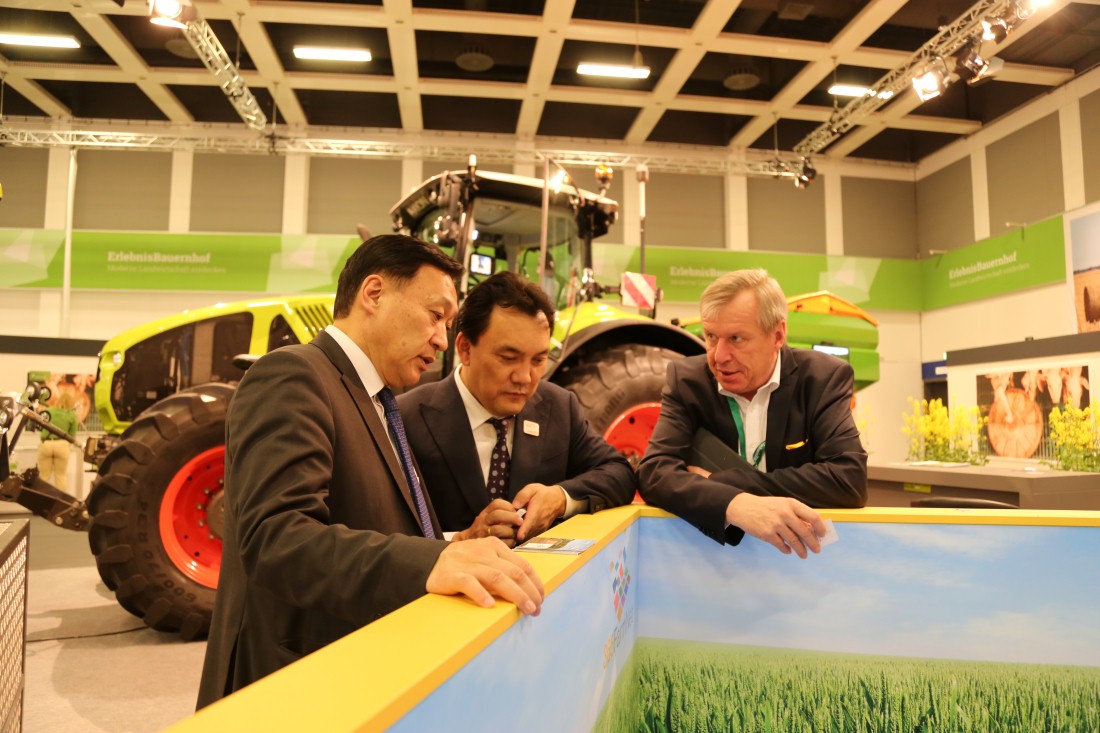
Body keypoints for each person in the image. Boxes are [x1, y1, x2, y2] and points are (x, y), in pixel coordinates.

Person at [197, 235, 544, 709]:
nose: (442, 339)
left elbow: (367, 521)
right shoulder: (294, 376)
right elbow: (277, 539)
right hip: (292, 688)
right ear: (374, 294)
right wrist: (430, 562)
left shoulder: (378, 402)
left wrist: (456, 543)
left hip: (352, 676)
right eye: (435, 315)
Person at [637, 268, 867, 558]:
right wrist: (734, 505)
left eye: (736, 338)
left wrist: (721, 484)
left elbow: (848, 480)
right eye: (711, 336)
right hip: (714, 559)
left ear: (778, 335)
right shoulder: (687, 381)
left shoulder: (822, 378)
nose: (719, 356)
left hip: (801, 557)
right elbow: (654, 473)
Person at [399, 271, 636, 547]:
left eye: (538, 360)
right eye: (509, 358)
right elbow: (385, 532)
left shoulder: (559, 407)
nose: (524, 377)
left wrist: (560, 498)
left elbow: (619, 473)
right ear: (465, 349)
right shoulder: (407, 419)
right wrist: (460, 540)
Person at [36, 392, 78, 490]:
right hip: (62, 445)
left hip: (46, 444)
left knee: (43, 477)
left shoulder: (48, 411)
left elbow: (41, 428)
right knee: (60, 476)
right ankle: (62, 499)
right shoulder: (72, 415)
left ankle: (40, 498)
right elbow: (72, 436)